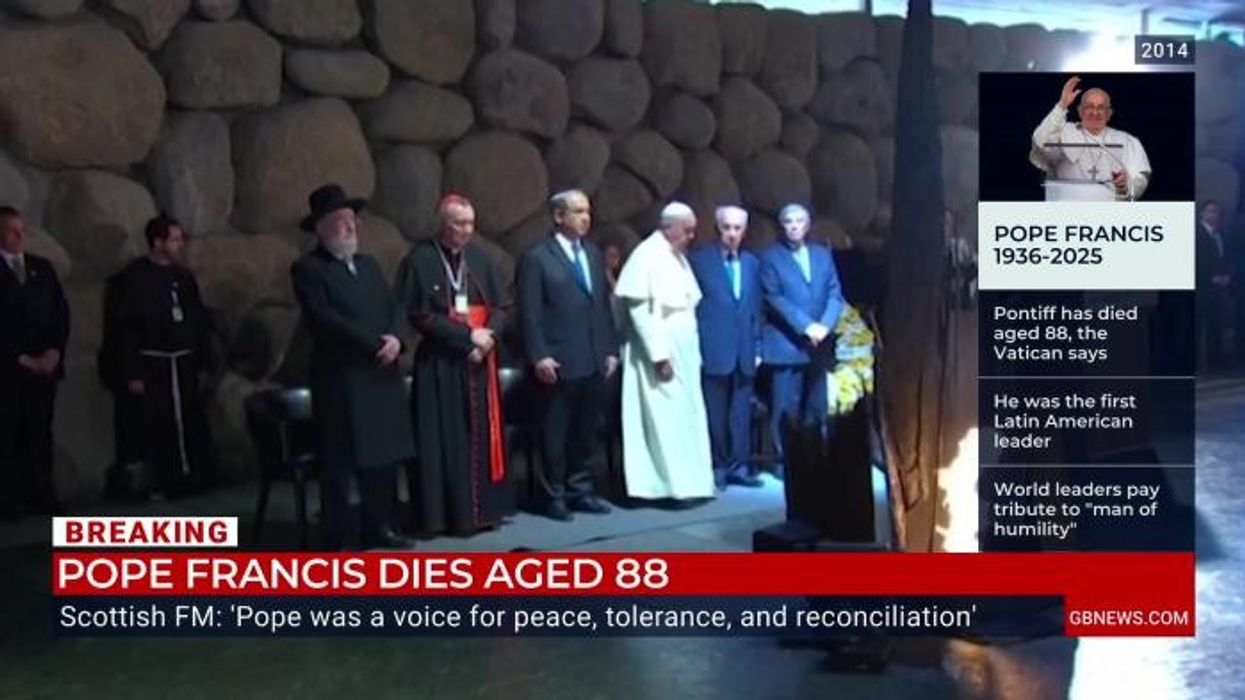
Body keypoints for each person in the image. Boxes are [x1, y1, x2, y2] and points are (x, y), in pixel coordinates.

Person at [291, 184, 415, 550]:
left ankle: (381, 526)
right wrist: (375, 343)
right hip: (342, 380)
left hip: (381, 376)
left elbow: (394, 306)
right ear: (322, 228)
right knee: (340, 463)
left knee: (382, 458)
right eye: (342, 220)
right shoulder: (308, 269)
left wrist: (396, 338)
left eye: (352, 219)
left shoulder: (369, 265)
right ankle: (339, 536)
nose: (351, 226)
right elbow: (326, 319)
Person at [396, 194, 513, 535]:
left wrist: (487, 338)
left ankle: (483, 513)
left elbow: (501, 306)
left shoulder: (479, 258)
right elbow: (418, 314)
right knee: (443, 441)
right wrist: (466, 337)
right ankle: (446, 517)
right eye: (459, 224)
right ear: (442, 224)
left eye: (470, 224)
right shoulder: (420, 259)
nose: (466, 230)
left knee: (481, 437)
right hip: (441, 365)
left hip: (480, 363)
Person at [517, 190, 619, 520]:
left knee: (584, 431)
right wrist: (539, 356)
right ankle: (553, 495)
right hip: (557, 359)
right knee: (553, 433)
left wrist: (609, 348)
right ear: (558, 216)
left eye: (587, 211)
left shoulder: (591, 253)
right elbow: (529, 312)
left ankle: (580, 489)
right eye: (577, 211)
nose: (585, 218)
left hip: (591, 357)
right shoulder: (537, 257)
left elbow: (600, 306)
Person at [615, 201, 713, 501]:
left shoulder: (677, 256)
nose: (691, 237)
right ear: (668, 227)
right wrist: (659, 355)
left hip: (684, 353)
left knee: (684, 420)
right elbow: (640, 312)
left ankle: (689, 484)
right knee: (664, 421)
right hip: (659, 355)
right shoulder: (646, 255)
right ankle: (665, 487)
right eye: (687, 230)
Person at [117, 215, 216, 497]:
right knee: (158, 424)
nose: (179, 245)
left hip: (183, 362)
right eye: (174, 240)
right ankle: (163, 480)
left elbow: (197, 318)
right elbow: (125, 327)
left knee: (190, 420)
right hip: (154, 364)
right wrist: (133, 371)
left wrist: (203, 359)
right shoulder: (135, 278)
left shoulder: (183, 276)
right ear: (157, 242)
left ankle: (194, 475)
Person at [759, 203, 844, 475]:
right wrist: (807, 326)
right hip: (788, 343)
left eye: (799, 221)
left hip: (820, 345)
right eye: (788, 221)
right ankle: (785, 463)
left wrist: (825, 326)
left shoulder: (822, 255)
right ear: (782, 226)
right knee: (786, 408)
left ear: (807, 226)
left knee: (817, 407)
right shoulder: (769, 257)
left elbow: (835, 294)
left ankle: (814, 460)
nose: (794, 226)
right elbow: (774, 298)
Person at [688, 205, 764, 490]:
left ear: (745, 231)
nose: (732, 233)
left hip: (744, 350)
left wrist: (758, 346)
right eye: (727, 227)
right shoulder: (700, 262)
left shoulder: (752, 263)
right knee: (715, 412)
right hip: (714, 348)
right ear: (717, 228)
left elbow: (756, 307)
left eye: (737, 228)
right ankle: (718, 465)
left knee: (740, 412)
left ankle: (739, 466)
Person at [0, 206, 68, 519]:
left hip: (44, 369)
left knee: (40, 434)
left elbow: (59, 313)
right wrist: (20, 358)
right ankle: (9, 501)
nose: (19, 236)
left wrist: (53, 351)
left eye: (21, 230)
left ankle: (42, 493)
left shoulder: (42, 268)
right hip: (8, 371)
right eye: (11, 231)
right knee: (8, 435)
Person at [1030, 76, 1151, 200]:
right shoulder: (1062, 132)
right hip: (1066, 207)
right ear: (1080, 111)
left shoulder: (1126, 141)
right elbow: (1040, 141)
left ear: (1109, 113)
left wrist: (1125, 185)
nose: (1095, 112)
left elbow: (1140, 178)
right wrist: (1062, 105)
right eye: (1089, 106)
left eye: (1101, 107)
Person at [1196, 200, 1232, 370]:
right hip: (1201, 286)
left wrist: (1227, 276)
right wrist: (1210, 277)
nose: (1214, 215)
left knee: (1216, 324)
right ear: (1202, 213)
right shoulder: (1195, 234)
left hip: (1219, 288)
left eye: (1217, 212)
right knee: (1197, 325)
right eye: (1210, 211)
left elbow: (1224, 258)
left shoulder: (1222, 234)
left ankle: (1215, 361)